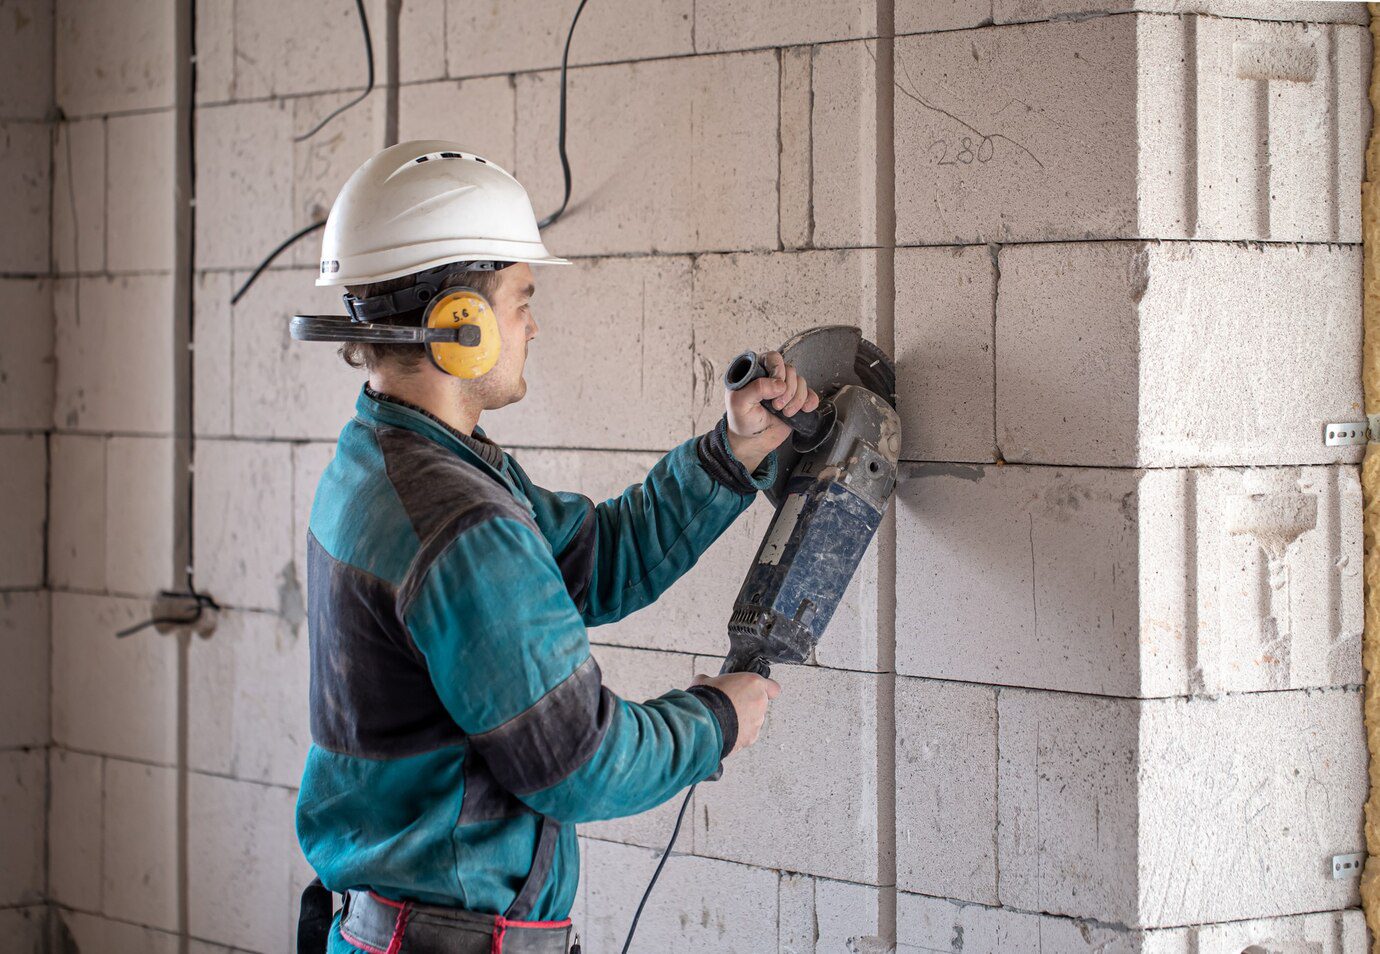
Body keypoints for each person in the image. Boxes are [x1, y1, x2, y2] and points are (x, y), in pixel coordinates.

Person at [294, 141, 819, 954]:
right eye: (519, 300)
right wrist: (717, 718)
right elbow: (578, 762)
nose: (532, 325)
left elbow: (587, 561)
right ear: (458, 325)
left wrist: (733, 449)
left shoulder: (386, 459)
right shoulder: (456, 518)